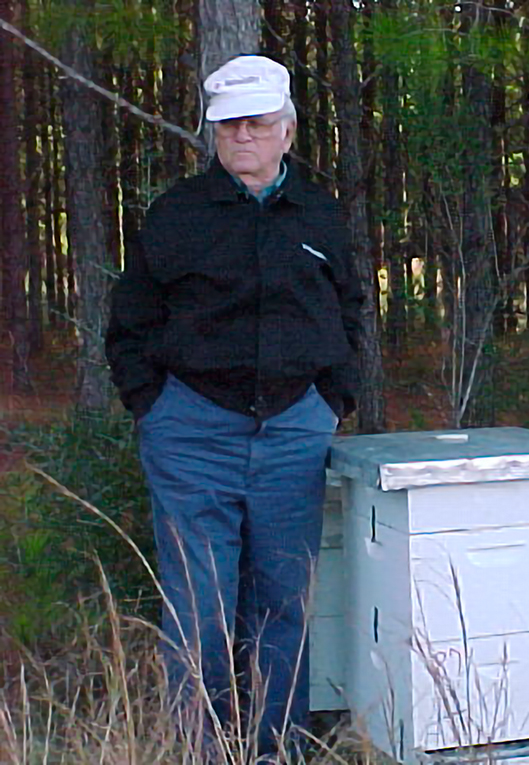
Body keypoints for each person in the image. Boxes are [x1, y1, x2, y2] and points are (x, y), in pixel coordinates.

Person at [105, 54, 363, 760]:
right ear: (213, 133)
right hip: (191, 432)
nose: (242, 136)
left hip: (294, 430)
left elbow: (349, 310)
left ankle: (276, 743)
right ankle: (204, 746)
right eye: (229, 126)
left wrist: (333, 397)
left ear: (287, 131)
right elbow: (130, 321)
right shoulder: (178, 215)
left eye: (256, 123)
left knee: (284, 599)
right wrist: (152, 404)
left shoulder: (319, 213)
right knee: (200, 604)